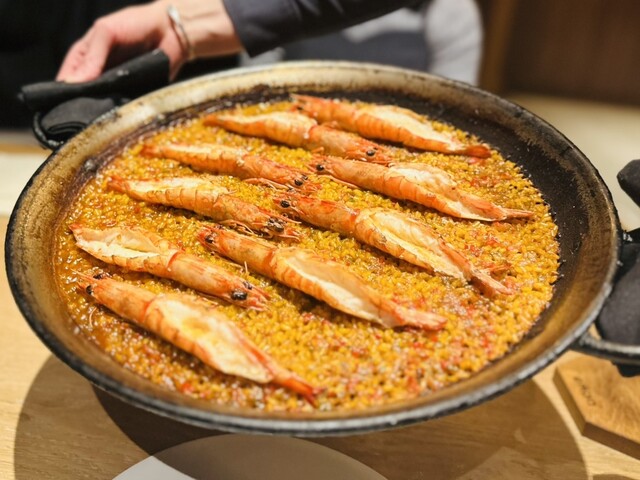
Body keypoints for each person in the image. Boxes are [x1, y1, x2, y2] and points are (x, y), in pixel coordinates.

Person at [56, 0, 482, 84]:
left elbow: (451, 96)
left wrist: (183, 26)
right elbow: (255, 80)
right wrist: (178, 26)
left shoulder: (453, 13)